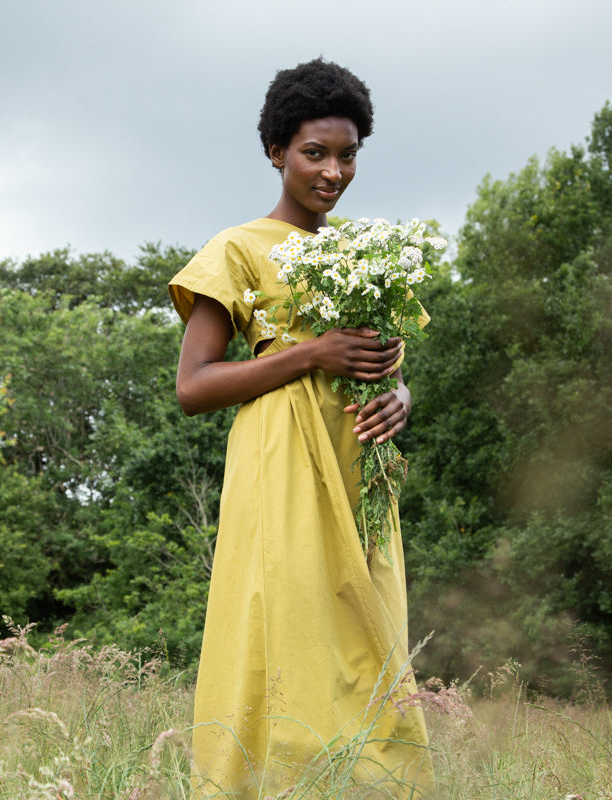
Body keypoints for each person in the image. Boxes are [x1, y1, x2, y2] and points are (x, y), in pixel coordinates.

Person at [169, 58, 433, 798]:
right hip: (281, 466)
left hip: (360, 470)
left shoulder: (368, 255)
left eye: (348, 154)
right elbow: (194, 386)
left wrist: (400, 398)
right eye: (315, 152)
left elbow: (384, 364)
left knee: (366, 635)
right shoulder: (239, 250)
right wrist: (309, 353)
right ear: (277, 150)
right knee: (287, 629)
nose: (334, 171)